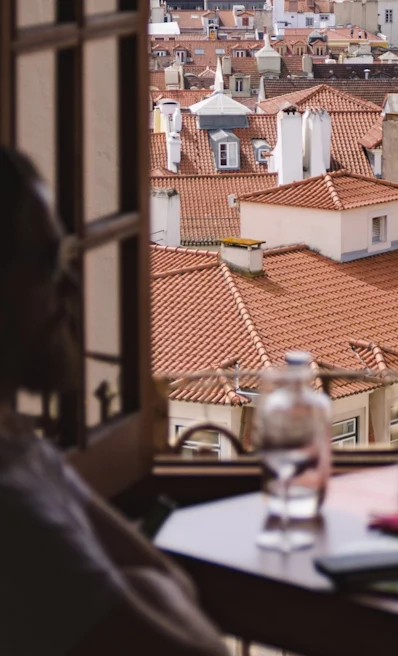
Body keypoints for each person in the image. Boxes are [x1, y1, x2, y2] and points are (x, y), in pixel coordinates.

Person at [0, 147, 228, 655]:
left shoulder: (18, 444)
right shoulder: (11, 508)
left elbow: (163, 580)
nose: (73, 285)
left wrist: (147, 585)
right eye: (42, 265)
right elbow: (194, 647)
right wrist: (142, 588)